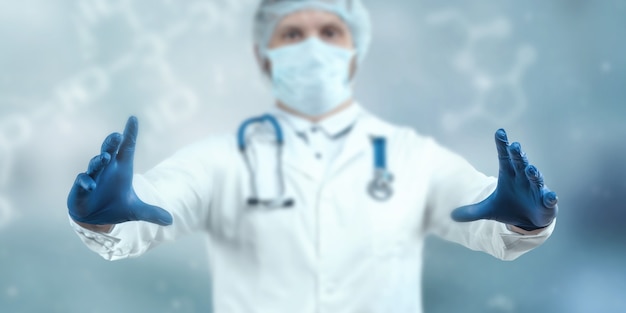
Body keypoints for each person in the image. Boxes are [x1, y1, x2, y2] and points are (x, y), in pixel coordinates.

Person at [67, 0, 558, 312]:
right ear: (265, 55)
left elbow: (479, 212)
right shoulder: (220, 161)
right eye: (292, 34)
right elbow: (154, 205)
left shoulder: (410, 158)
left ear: (354, 52)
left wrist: (520, 221)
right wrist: (105, 219)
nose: (312, 48)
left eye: (329, 32)